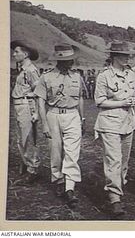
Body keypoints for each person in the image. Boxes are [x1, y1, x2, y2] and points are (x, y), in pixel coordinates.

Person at [35, 43, 85, 208]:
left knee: (72, 152)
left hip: (72, 116)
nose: (71, 63)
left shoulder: (77, 76)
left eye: (72, 60)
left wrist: (82, 118)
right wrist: (44, 125)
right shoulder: (46, 77)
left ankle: (69, 188)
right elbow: (41, 102)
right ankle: (58, 179)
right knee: (55, 152)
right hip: (54, 115)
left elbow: (80, 98)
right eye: (67, 60)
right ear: (59, 60)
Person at [93, 42, 135, 216]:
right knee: (113, 160)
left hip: (128, 122)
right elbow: (99, 101)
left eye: (128, 55)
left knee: (124, 161)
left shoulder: (131, 74)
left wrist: (131, 101)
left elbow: (133, 94)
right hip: (109, 122)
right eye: (124, 55)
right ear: (115, 57)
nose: (127, 58)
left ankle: (118, 188)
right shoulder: (104, 76)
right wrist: (121, 103)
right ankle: (114, 199)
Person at [11, 40, 41, 184]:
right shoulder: (22, 69)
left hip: (26, 105)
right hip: (19, 105)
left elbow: (38, 92)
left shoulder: (31, 70)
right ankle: (26, 163)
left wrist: (35, 112)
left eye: (17, 52)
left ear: (26, 54)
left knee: (28, 139)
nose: (14, 54)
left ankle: (32, 169)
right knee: (20, 139)